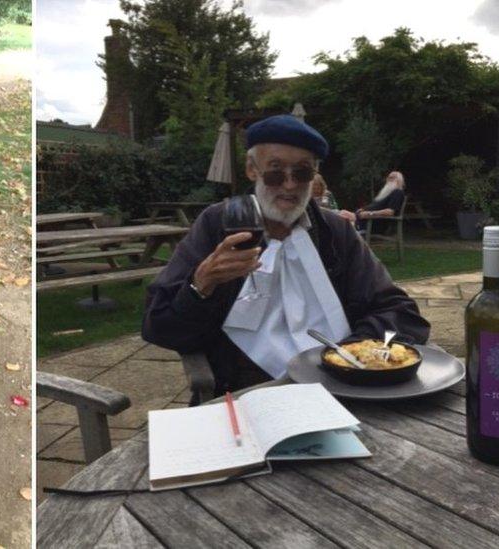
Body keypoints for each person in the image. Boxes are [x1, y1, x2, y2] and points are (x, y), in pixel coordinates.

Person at [142, 115, 430, 404]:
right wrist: (200, 285)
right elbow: (161, 328)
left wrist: (354, 352)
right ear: (251, 170)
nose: (290, 185)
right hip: (245, 393)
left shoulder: (336, 232)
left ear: (315, 175)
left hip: (340, 388)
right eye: (275, 172)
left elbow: (401, 313)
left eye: (303, 172)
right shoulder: (216, 225)